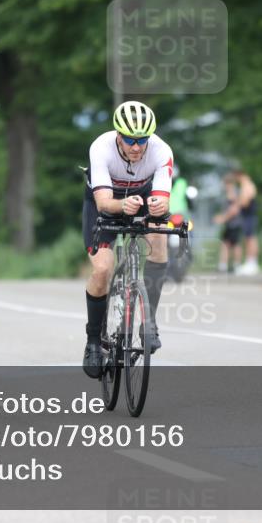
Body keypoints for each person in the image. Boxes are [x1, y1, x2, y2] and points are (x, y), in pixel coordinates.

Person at [82, 101, 173, 378]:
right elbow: (103, 203)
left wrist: (159, 207)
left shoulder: (162, 151)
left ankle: (150, 323)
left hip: (141, 198)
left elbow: (162, 197)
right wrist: (122, 206)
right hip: (106, 204)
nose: (136, 146)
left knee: (158, 241)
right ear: (118, 135)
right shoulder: (101, 147)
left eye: (142, 140)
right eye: (130, 140)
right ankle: (94, 341)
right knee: (102, 270)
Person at [214, 169, 260, 275]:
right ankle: (250, 261)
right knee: (248, 238)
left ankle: (252, 262)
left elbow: (244, 202)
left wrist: (225, 216)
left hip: (248, 216)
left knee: (250, 238)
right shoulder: (245, 186)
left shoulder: (247, 185)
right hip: (246, 216)